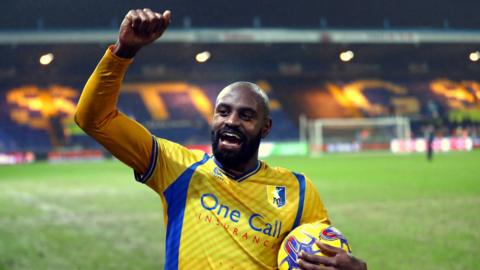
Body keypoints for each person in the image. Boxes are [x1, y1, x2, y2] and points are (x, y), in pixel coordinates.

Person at [74, 8, 367, 270]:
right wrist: (123, 52)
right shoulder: (176, 167)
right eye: (223, 112)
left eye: (246, 115)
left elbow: (323, 256)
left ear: (266, 127)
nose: (231, 121)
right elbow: (93, 118)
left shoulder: (298, 191)